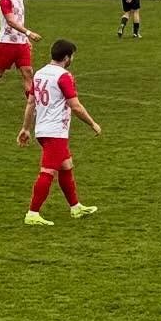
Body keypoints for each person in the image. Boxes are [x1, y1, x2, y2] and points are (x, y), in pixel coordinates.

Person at [18, 38, 101, 226]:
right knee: (47, 172)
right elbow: (76, 106)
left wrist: (25, 128)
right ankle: (32, 213)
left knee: (66, 166)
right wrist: (92, 123)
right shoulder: (63, 76)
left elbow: (31, 102)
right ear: (66, 57)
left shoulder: (39, 74)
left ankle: (75, 207)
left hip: (43, 129)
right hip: (55, 131)